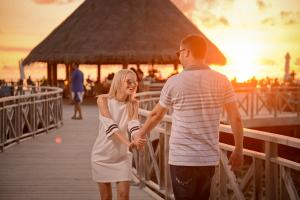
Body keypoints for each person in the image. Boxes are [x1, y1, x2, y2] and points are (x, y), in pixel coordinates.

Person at [135, 35, 244, 200]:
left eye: (179, 52)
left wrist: (140, 134)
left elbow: (156, 114)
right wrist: (239, 148)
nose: (178, 57)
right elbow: (236, 118)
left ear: (186, 52)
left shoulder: (174, 82)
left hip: (182, 158)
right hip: (208, 159)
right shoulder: (222, 80)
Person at [91, 69, 146, 200]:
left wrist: (137, 138)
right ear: (118, 82)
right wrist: (129, 143)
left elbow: (133, 125)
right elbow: (111, 126)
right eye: (129, 81)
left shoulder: (133, 103)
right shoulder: (103, 100)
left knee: (124, 196)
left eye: (135, 82)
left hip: (122, 157)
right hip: (101, 155)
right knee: (106, 198)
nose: (133, 85)